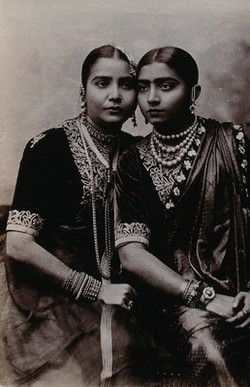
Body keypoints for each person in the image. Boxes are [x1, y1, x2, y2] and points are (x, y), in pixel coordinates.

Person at [115, 46, 250, 386]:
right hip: (177, 304)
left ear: (194, 93)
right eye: (143, 87)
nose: (152, 98)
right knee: (209, 350)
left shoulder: (230, 140)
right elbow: (132, 253)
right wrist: (204, 297)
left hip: (248, 294)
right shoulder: (133, 160)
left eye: (166, 85)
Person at [3, 45, 148, 386]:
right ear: (83, 93)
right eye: (102, 83)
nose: (115, 95)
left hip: (121, 303)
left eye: (126, 85)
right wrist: (93, 288)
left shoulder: (136, 153)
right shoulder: (49, 148)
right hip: (47, 304)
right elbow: (19, 245)